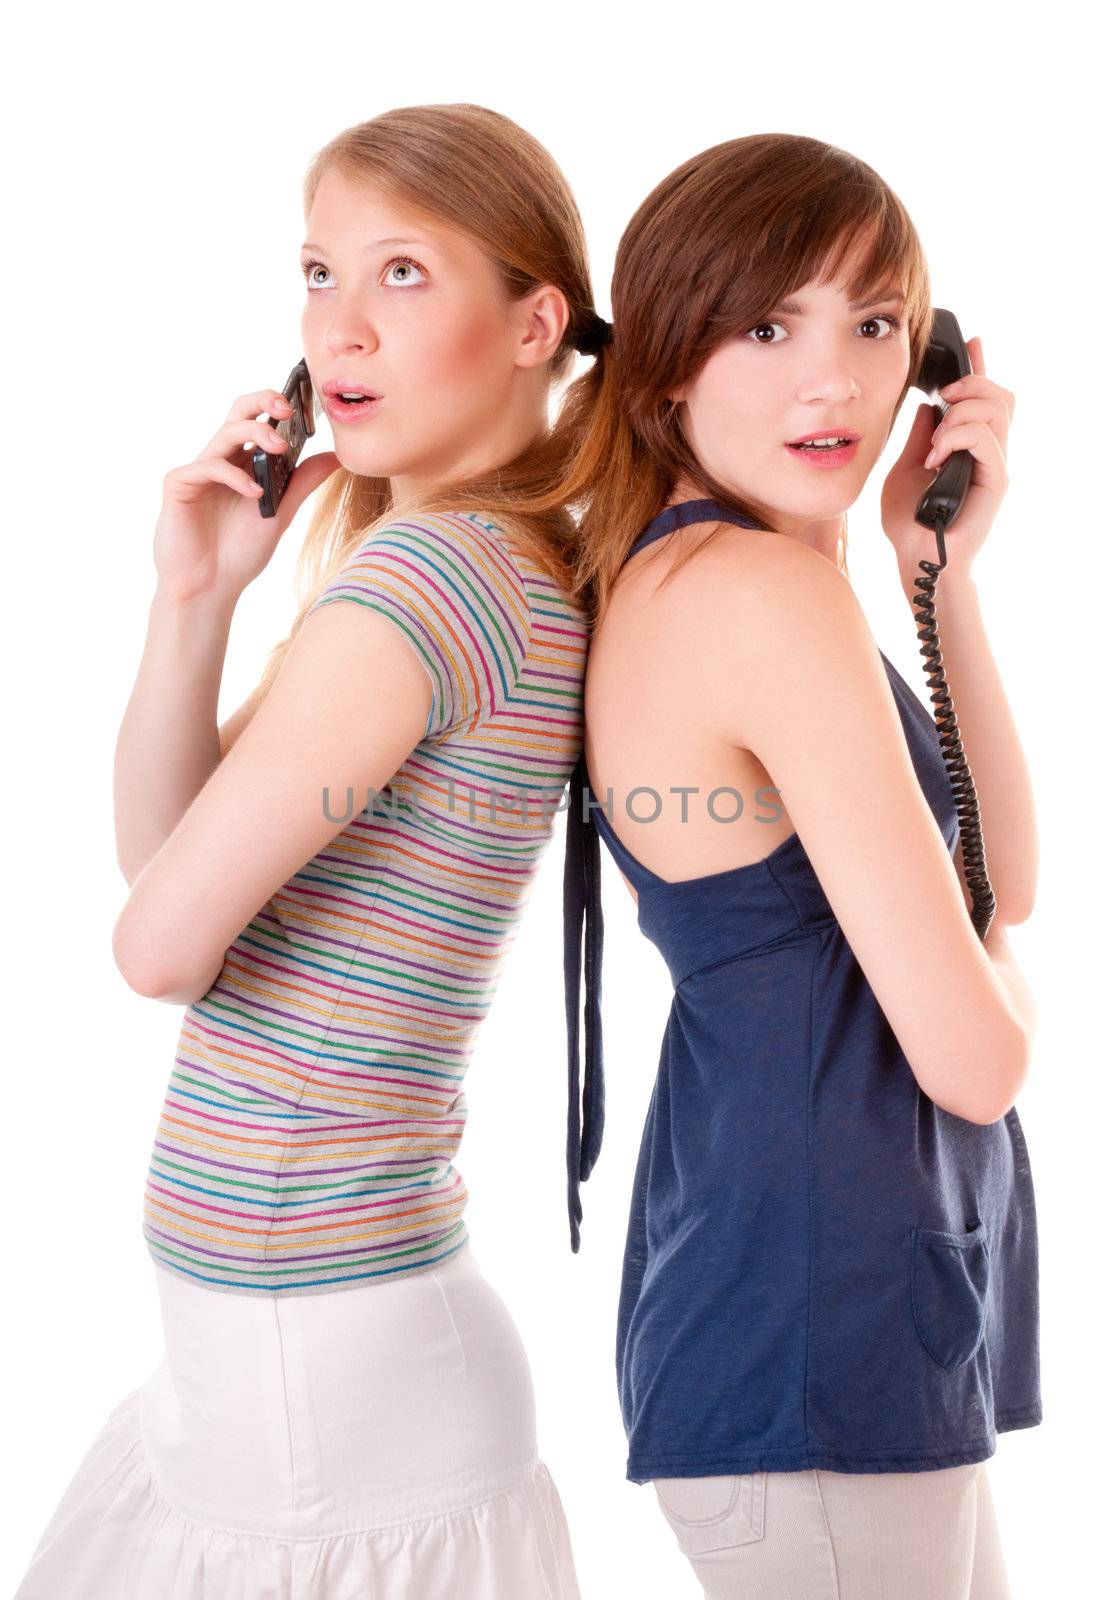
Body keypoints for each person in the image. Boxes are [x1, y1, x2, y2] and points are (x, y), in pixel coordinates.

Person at [15, 102, 601, 1599]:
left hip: (319, 1380)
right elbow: (170, 870)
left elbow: (156, 949)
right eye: (318, 274)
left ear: (535, 322)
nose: (340, 329)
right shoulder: (481, 563)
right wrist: (194, 598)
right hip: (304, 1353)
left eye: (402, 274)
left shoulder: (432, 575)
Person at [557, 133, 1040, 1598]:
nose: (833, 380)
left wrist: (932, 573)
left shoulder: (734, 573)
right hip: (811, 1332)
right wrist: (984, 979)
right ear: (662, 359)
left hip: (823, 1322)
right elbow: (976, 1056)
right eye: (767, 324)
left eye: (875, 323)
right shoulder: (750, 593)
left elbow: (999, 884)